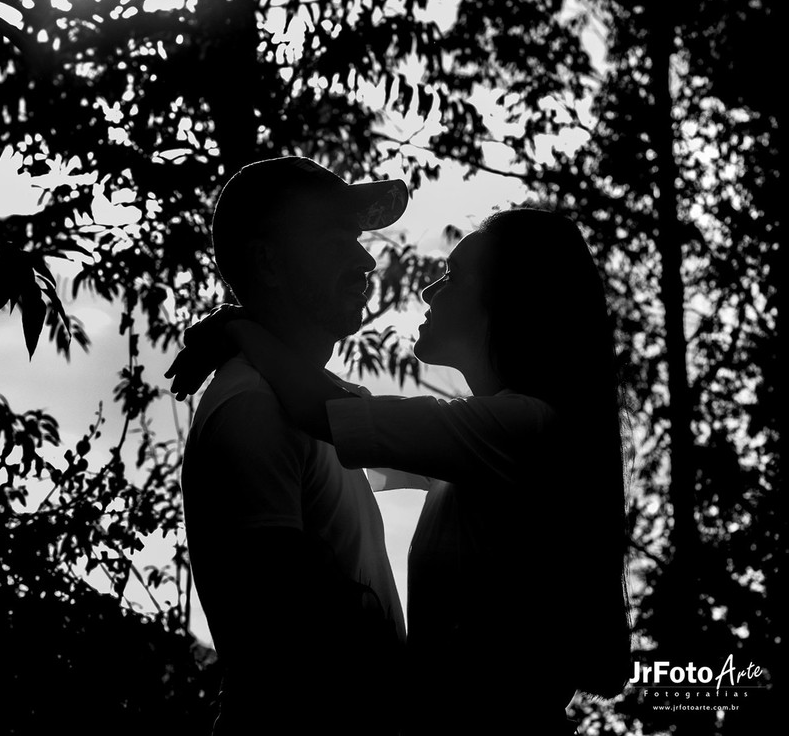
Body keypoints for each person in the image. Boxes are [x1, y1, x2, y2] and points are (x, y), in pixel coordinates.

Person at [168, 208, 632, 735]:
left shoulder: (523, 431)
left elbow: (326, 413)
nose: (430, 291)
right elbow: (352, 413)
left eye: (453, 276)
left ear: (509, 300)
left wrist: (239, 330)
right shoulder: (484, 443)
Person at [177, 156, 411, 734]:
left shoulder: (322, 405)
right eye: (335, 243)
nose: (365, 260)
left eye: (358, 241)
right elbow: (283, 629)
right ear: (268, 264)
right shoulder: (253, 407)